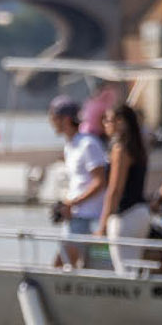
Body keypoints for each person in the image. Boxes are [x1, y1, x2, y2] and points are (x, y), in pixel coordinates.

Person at [47, 96, 109, 269]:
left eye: (53, 117)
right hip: (76, 215)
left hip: (90, 217)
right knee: (66, 264)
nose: (51, 122)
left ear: (65, 119)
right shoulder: (70, 145)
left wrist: (72, 202)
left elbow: (100, 182)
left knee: (73, 265)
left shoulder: (88, 144)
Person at [96, 101, 152, 277]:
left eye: (108, 119)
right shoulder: (138, 147)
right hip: (141, 213)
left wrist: (102, 225)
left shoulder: (120, 148)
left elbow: (115, 189)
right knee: (134, 271)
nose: (105, 123)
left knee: (124, 273)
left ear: (120, 121)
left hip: (125, 216)